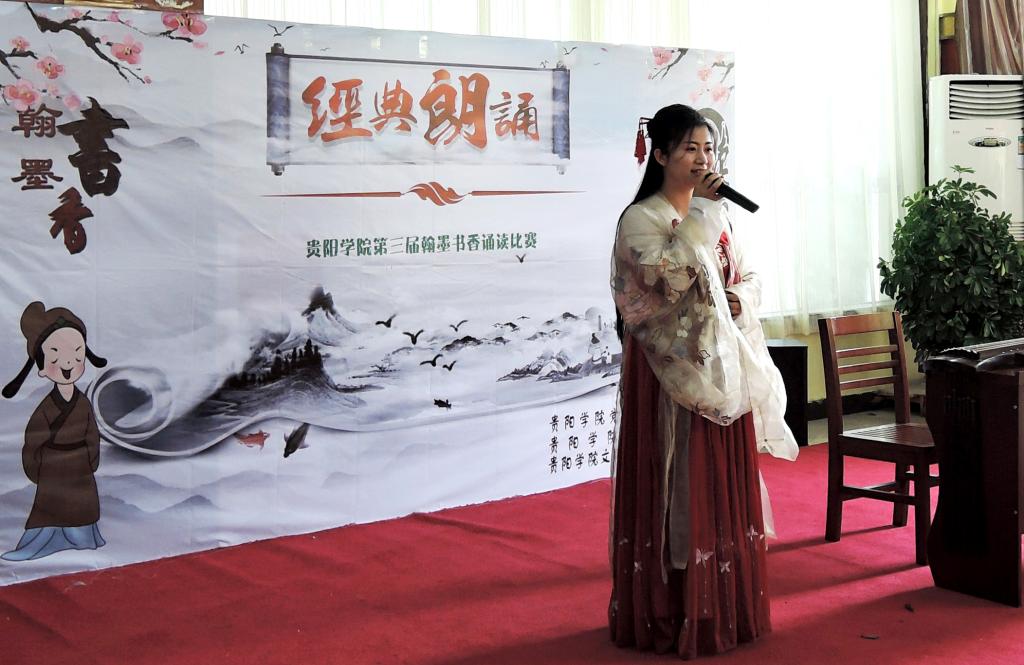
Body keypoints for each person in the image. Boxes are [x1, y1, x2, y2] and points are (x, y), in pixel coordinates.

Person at [608, 104, 797, 659]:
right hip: (669, 377)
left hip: (722, 370)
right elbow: (662, 285)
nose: (702, 159)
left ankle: (722, 605)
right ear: (660, 156)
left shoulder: (717, 217)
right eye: (690, 148)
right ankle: (672, 608)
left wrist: (740, 298)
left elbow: (748, 276)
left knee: (717, 485)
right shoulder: (641, 219)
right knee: (679, 485)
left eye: (708, 149)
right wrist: (702, 217)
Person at [2, 301, 108, 561]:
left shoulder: (82, 403)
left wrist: (90, 460)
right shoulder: (46, 407)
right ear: (41, 367)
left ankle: (84, 542)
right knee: (49, 510)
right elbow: (32, 440)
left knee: (81, 508)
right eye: (56, 356)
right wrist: (38, 469)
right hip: (52, 468)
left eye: (77, 355)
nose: (68, 363)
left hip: (80, 467)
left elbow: (92, 434)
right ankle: (39, 546)